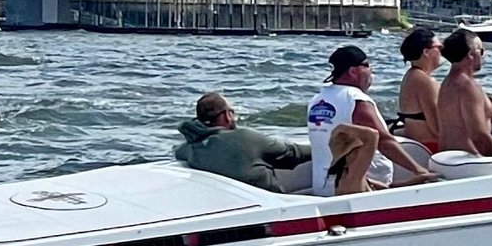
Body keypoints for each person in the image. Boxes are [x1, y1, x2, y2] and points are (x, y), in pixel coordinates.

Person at [306, 44, 427, 195]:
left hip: (323, 185)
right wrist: (418, 170)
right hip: (356, 190)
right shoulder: (355, 99)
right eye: (367, 65)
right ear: (353, 71)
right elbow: (384, 142)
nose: (371, 72)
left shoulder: (317, 100)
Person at [173, 91, 311, 191]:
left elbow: (178, 151)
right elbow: (293, 153)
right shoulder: (245, 138)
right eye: (232, 111)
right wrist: (322, 146)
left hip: (229, 199)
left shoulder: (190, 149)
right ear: (227, 116)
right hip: (269, 202)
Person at [436, 28, 492, 157]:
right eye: (481, 51)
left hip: (446, 157)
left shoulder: (449, 83)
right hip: (467, 159)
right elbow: (478, 135)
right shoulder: (468, 86)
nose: (484, 56)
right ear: (471, 54)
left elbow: (485, 111)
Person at [396, 27, 445, 152]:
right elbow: (438, 129)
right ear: (426, 52)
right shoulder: (426, 82)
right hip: (431, 146)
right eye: (439, 48)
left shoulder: (411, 76)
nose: (442, 52)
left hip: (419, 143)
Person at [325, 123, 381, 196]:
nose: (360, 152)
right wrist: (340, 127)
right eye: (357, 149)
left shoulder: (340, 175)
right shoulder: (351, 178)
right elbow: (372, 135)